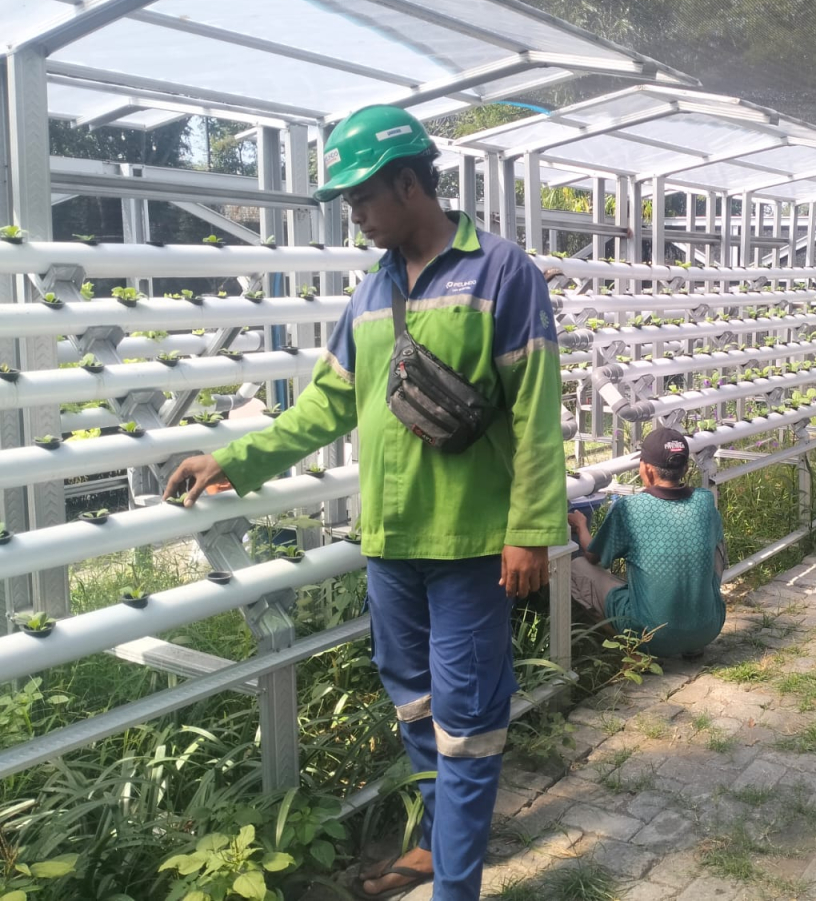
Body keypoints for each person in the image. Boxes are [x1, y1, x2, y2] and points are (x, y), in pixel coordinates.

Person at [162, 105, 567, 901]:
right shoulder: (373, 292)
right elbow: (326, 404)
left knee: (468, 722)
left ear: (408, 184)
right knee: (414, 703)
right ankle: (438, 843)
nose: (354, 215)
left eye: (361, 197)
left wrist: (531, 531)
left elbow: (536, 409)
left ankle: (456, 886)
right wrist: (234, 459)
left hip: (472, 544)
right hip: (389, 541)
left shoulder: (500, 271)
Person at [566, 427, 726, 660]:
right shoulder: (704, 501)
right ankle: (691, 641)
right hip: (708, 628)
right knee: (716, 543)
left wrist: (581, 526)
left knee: (574, 568)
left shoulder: (630, 508)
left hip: (652, 636)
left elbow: (593, 556)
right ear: (685, 468)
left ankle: (636, 650)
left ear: (647, 469)